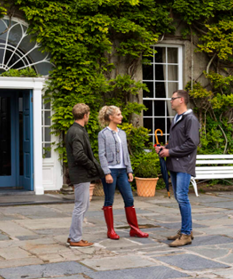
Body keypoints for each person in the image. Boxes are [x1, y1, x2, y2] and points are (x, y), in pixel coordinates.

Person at [97, 105, 149, 239]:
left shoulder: (122, 133)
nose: (121, 117)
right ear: (111, 117)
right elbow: (101, 155)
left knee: (129, 198)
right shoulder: (103, 134)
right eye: (118, 114)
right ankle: (111, 231)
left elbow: (125, 153)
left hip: (122, 171)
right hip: (111, 171)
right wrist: (107, 172)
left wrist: (129, 170)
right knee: (109, 200)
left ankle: (134, 229)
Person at [157, 90, 200, 248]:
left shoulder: (190, 119)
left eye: (173, 99)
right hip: (175, 163)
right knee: (179, 197)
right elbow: (178, 142)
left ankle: (186, 234)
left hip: (184, 164)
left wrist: (170, 152)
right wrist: (165, 148)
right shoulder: (177, 118)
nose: (171, 101)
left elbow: (191, 143)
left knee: (182, 197)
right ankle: (185, 230)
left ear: (181, 100)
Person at [65, 103, 102, 248]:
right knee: (80, 206)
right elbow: (79, 155)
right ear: (86, 115)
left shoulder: (76, 130)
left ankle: (73, 236)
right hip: (80, 174)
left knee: (83, 205)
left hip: (81, 174)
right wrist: (93, 167)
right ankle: (75, 238)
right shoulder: (77, 132)